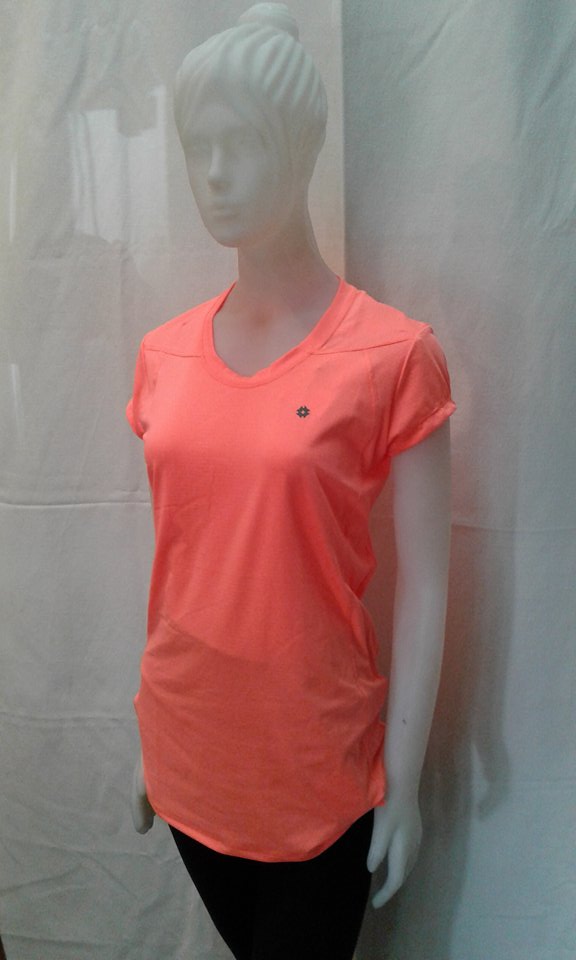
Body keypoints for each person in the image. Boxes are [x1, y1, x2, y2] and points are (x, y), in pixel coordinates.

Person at [126, 4, 455, 958]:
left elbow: (428, 586)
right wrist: (149, 740)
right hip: (183, 758)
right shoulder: (161, 356)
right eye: (198, 146)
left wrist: (405, 781)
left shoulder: (393, 355)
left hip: (318, 779)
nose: (215, 172)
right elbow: (185, 558)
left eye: (241, 142)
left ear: (302, 148)